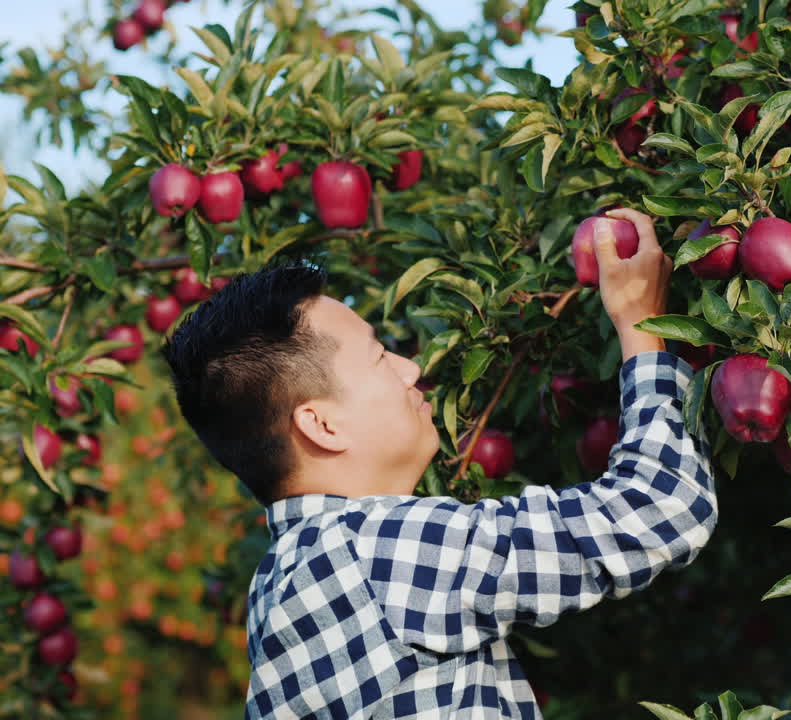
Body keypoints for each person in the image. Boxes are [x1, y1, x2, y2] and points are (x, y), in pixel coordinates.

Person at [160, 208, 718, 719]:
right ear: (322, 425)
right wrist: (645, 330)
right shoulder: (370, 554)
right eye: (380, 356)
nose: (410, 368)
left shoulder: (283, 580)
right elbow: (660, 509)